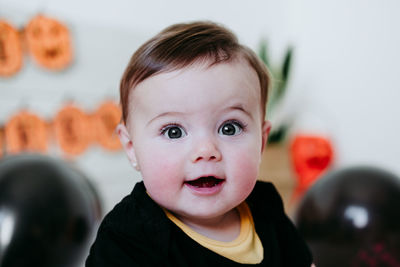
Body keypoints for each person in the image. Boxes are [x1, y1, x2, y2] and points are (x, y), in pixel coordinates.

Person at [86, 21, 313, 266]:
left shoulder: (265, 207)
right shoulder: (129, 236)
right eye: (173, 132)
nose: (206, 151)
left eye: (230, 128)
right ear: (132, 148)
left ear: (261, 142)